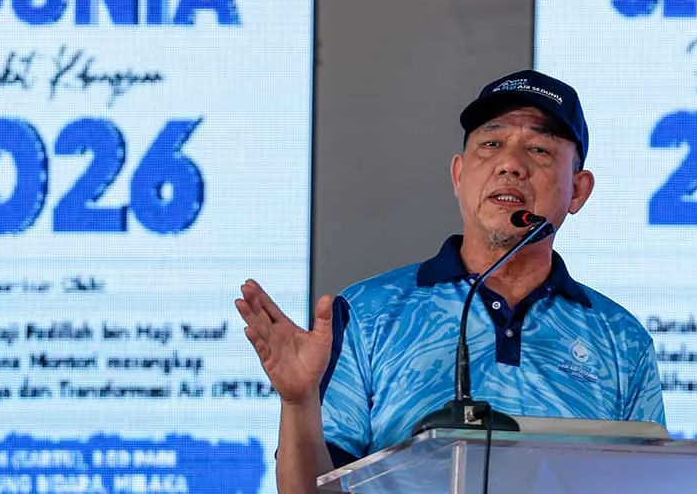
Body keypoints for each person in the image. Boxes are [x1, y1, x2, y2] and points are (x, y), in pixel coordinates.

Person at [236, 70, 665, 494]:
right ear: (459, 176)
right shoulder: (369, 315)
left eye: (539, 149)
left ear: (578, 190)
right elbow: (313, 492)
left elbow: (653, 483)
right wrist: (298, 403)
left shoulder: (622, 340)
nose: (510, 164)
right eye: (491, 144)